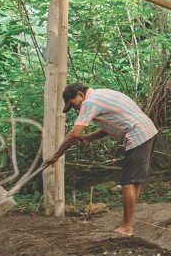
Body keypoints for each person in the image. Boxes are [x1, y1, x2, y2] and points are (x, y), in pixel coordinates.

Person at [47, 83, 158, 237]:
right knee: (134, 181)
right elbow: (110, 125)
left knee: (127, 182)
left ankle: (126, 227)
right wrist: (89, 138)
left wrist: (56, 155)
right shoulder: (104, 94)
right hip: (148, 130)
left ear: (80, 94)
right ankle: (127, 224)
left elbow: (74, 133)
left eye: (73, 104)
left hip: (137, 133)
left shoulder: (89, 102)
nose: (75, 109)